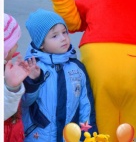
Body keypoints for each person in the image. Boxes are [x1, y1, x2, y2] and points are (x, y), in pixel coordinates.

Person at [21, 9, 98, 142]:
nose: (63, 38)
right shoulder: (33, 67)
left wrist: (88, 134)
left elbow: (86, 104)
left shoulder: (77, 68)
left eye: (64, 32)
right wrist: (32, 81)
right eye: (54, 36)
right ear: (41, 44)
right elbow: (25, 102)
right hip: (38, 137)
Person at [4, 13, 30, 142]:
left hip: (13, 134)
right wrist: (11, 87)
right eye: (14, 42)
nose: (17, 46)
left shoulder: (7, 69)